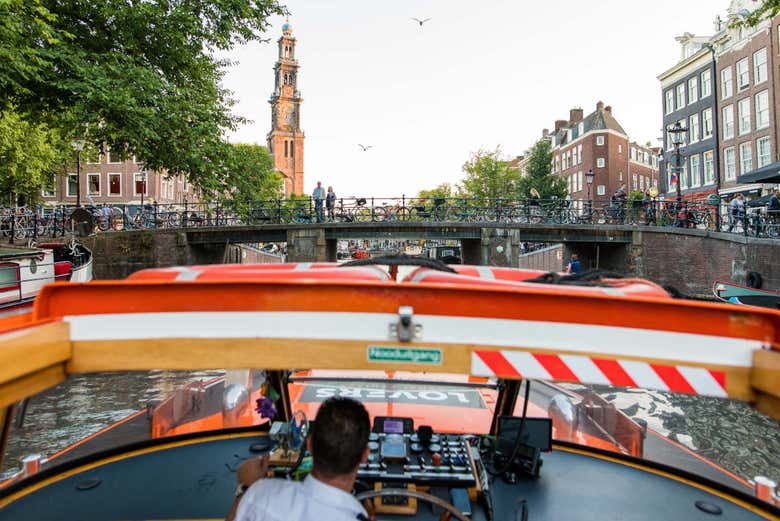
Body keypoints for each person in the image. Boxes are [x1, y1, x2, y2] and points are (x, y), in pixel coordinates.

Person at [228, 397, 371, 521]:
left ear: (309, 445)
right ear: (365, 455)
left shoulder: (261, 494)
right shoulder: (357, 516)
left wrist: (245, 488)